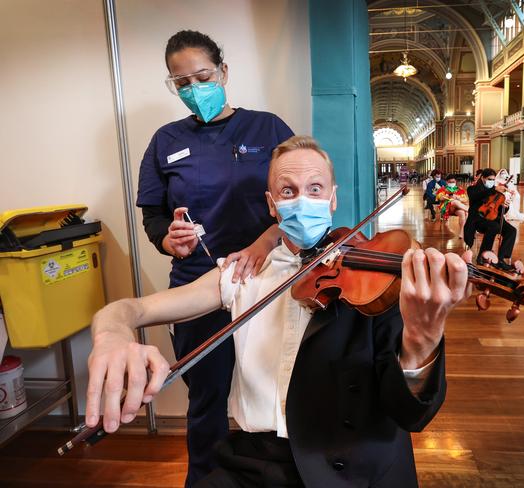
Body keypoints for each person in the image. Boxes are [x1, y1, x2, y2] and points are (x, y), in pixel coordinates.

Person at [86, 136, 471, 488]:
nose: (302, 200)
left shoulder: (375, 275)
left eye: (315, 189)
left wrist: (423, 337)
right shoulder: (241, 273)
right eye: (288, 191)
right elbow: (130, 309)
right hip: (258, 461)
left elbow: (411, 415)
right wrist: (112, 335)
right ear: (272, 204)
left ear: (332, 199)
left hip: (355, 462)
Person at [136, 30, 294, 487]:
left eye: (202, 76)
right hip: (198, 288)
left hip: (269, 281)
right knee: (206, 399)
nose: (194, 89)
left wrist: (265, 242)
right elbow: (154, 215)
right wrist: (170, 240)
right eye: (181, 83)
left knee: (275, 391)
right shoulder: (166, 140)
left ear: (224, 72)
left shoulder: (267, 128)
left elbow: (297, 198)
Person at [463, 168, 518, 271]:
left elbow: (501, 210)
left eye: (493, 179)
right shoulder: (472, 189)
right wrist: (494, 189)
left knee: (512, 230)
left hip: (493, 217)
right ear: (482, 178)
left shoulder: (496, 192)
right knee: (494, 227)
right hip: (478, 219)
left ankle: (501, 259)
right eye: (489, 179)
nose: (491, 181)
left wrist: (505, 206)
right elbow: (477, 196)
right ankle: (483, 257)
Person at [436, 174, 469, 239]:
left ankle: (462, 232)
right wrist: (448, 196)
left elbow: (465, 199)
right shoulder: (442, 189)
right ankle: (469, 209)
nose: (452, 183)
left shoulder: (460, 189)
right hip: (447, 208)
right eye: (450, 182)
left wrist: (458, 198)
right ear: (447, 182)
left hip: (458, 208)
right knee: (454, 201)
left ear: (455, 182)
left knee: (462, 213)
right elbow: (439, 197)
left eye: (453, 182)